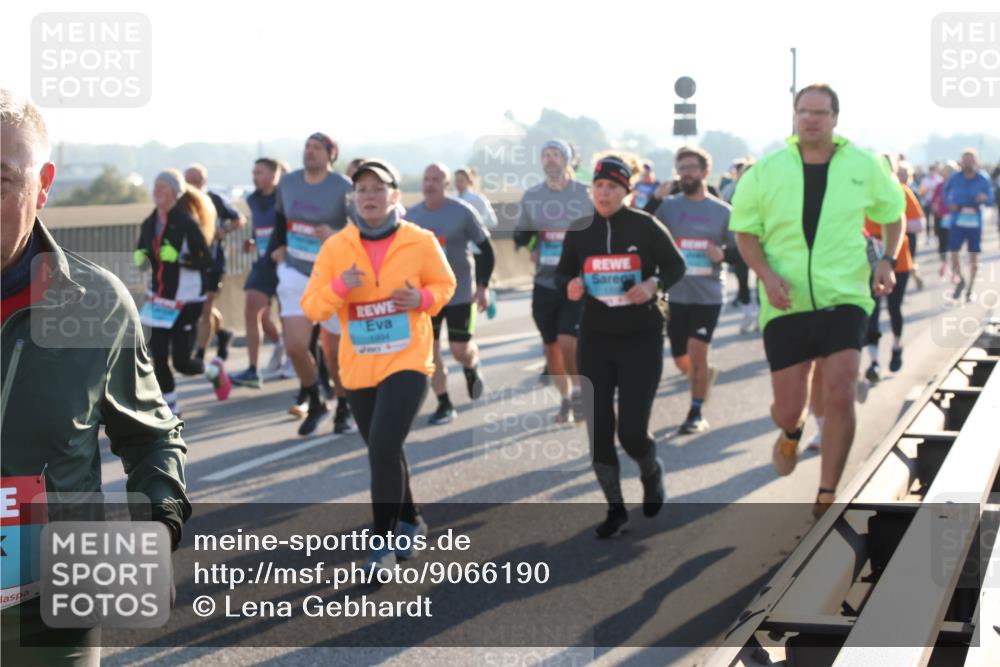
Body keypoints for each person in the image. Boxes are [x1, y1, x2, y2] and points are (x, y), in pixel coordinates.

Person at [1, 88, 191, 666]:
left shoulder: (97, 306)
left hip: (45, 609)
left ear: (44, 183)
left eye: (1, 179)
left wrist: (159, 521)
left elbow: (150, 435)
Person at [729, 83, 904, 518]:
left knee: (841, 389)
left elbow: (892, 215)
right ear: (793, 115)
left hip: (845, 295)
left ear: (835, 118)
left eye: (820, 112)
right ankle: (792, 432)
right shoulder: (765, 171)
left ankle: (827, 495)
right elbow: (745, 232)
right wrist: (766, 276)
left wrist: (886, 259)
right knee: (788, 409)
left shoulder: (865, 165)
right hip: (784, 299)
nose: (811, 119)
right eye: (803, 111)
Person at [301, 159, 456, 570]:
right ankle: (411, 518)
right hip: (359, 366)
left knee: (384, 447)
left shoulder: (419, 241)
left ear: (394, 196)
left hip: (407, 359)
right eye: (362, 189)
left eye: (377, 188)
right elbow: (313, 305)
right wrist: (340, 286)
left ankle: (382, 543)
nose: (369, 196)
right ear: (354, 199)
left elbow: (446, 285)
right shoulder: (337, 248)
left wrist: (420, 300)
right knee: (384, 451)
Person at [555, 155, 686, 538]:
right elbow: (563, 270)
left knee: (631, 431)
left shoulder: (644, 226)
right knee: (598, 428)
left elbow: (675, 267)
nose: (604, 193)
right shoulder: (580, 229)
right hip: (596, 338)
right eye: (598, 186)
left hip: (641, 338)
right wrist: (571, 284)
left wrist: (653, 285)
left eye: (612, 187)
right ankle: (614, 508)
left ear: (626, 191)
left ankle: (650, 469)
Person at [266, 132, 355, 435]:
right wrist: (276, 248)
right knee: (294, 346)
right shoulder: (288, 183)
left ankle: (343, 405)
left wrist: (335, 235)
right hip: (295, 271)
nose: (310, 152)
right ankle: (316, 402)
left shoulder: (344, 187)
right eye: (307, 146)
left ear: (331, 154)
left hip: (331, 276)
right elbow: (280, 219)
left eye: (317, 148)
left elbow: (359, 229)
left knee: (332, 351)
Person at [651, 147, 732, 434]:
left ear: (704, 172)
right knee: (680, 357)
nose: (685, 173)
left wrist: (723, 254)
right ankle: (702, 377)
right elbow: (644, 231)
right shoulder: (669, 206)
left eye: (691, 168)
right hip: (676, 293)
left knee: (698, 352)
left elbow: (739, 250)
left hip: (708, 294)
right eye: (681, 167)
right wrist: (653, 199)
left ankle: (696, 411)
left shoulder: (722, 211)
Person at [406, 164, 495, 424]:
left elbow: (486, 249)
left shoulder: (462, 213)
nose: (430, 183)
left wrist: (483, 285)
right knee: (430, 352)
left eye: (436, 179)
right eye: (426, 179)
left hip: (459, 293)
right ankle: (444, 402)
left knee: (459, 349)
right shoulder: (410, 218)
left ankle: (471, 365)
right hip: (425, 297)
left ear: (446, 185)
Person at [136, 169, 231, 410]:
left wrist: (181, 258)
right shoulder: (149, 222)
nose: (157, 190)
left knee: (181, 363)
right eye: (155, 185)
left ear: (175, 193)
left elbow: (206, 261)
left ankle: (212, 370)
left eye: (163, 186)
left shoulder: (187, 223)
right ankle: (171, 409)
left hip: (186, 300)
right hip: (159, 299)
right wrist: (141, 258)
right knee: (157, 356)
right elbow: (141, 254)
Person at [514, 139, 593, 422]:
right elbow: (522, 232)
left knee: (568, 343)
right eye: (545, 155)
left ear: (568, 160)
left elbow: (599, 231)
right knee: (552, 348)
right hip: (545, 282)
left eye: (556, 154)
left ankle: (582, 393)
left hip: (575, 281)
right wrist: (529, 240)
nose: (550, 160)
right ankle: (566, 399)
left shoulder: (586, 194)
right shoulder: (532, 196)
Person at [863, 154, 918, 380]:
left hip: (898, 260)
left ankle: (896, 347)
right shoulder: (863, 193)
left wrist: (892, 231)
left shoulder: (902, 191)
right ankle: (874, 361)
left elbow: (916, 224)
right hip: (868, 258)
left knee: (894, 308)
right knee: (872, 309)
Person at [231, 157, 285, 388]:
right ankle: (253, 370)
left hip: (287, 262)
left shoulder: (285, 197)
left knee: (288, 317)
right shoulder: (252, 199)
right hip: (264, 263)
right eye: (253, 172)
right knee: (252, 310)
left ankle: (295, 356)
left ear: (275, 175)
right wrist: (252, 240)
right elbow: (259, 227)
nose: (255, 176)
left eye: (260, 172)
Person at [183, 163, 245, 365]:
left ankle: (200, 354)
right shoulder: (182, 203)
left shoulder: (215, 199)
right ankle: (223, 333)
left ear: (204, 181)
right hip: (192, 263)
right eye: (188, 180)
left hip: (214, 261)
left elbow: (239, 219)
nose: (192, 184)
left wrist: (223, 230)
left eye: (196, 180)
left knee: (206, 305)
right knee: (203, 307)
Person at [945, 148, 995, 302]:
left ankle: (970, 289)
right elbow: (946, 193)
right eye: (965, 160)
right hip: (958, 219)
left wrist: (984, 198)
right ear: (961, 162)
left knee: (973, 258)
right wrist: (949, 203)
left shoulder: (983, 178)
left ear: (975, 161)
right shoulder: (955, 178)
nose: (967, 163)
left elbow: (991, 199)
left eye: (970, 160)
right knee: (954, 253)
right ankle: (960, 281)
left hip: (974, 221)